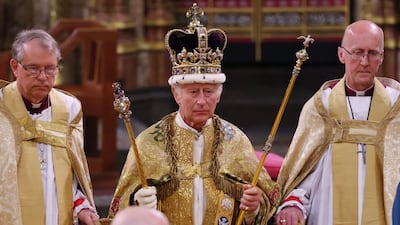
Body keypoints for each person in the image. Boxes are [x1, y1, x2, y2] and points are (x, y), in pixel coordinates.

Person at [108, 3, 280, 225]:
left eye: (208, 91)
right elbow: (120, 211)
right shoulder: (148, 143)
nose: (201, 100)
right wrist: (136, 202)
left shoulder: (235, 141)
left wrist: (254, 207)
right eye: (193, 92)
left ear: (219, 94)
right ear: (176, 93)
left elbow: (266, 202)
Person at [275, 20, 400, 225]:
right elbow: (303, 172)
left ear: (382, 56)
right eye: (358, 52)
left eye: (373, 53)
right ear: (342, 55)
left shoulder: (396, 108)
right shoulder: (321, 108)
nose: (365, 61)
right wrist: (293, 203)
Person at [0, 29, 99, 225]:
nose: (43, 77)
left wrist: (80, 206)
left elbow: (72, 173)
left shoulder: (70, 108)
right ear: (15, 67)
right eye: (34, 68)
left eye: (50, 68)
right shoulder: (2, 108)